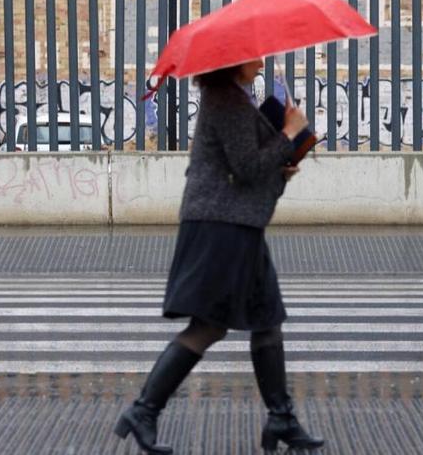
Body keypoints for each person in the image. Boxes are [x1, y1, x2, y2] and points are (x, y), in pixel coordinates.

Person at [113, 59, 324, 454]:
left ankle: (281, 418)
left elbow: (249, 167)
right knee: (208, 326)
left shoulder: (234, 99)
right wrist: (290, 134)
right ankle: (143, 411)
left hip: (236, 225)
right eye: (254, 57)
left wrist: (281, 167)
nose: (261, 63)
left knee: (267, 318)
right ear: (234, 62)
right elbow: (245, 168)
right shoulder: (224, 99)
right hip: (220, 228)